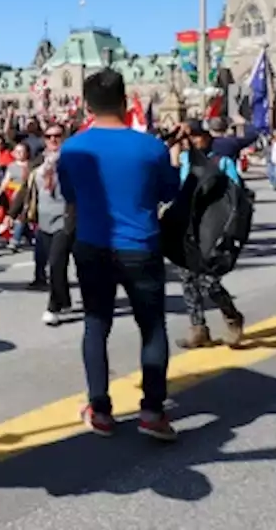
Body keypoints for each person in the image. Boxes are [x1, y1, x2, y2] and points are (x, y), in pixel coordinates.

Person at [57, 68, 181, 442]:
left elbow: (70, 195)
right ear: (126, 102)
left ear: (86, 105)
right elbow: (168, 191)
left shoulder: (73, 148)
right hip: (140, 245)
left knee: (96, 325)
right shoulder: (151, 147)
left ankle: (100, 408)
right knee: (152, 328)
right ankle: (153, 411)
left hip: (93, 244)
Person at [171, 122, 246, 348]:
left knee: (208, 282)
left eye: (197, 136)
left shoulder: (221, 162)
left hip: (212, 229)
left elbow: (236, 196)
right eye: (189, 138)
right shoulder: (184, 160)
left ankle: (232, 316)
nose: (192, 141)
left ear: (206, 137)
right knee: (187, 280)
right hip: (187, 228)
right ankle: (198, 328)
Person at [5, 123, 73, 325]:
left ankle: (53, 307)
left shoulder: (73, 161)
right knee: (50, 262)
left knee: (56, 263)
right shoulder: (38, 162)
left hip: (66, 219)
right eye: (49, 136)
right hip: (43, 219)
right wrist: (12, 214)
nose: (53, 140)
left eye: (57, 136)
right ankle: (64, 298)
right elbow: (26, 189)